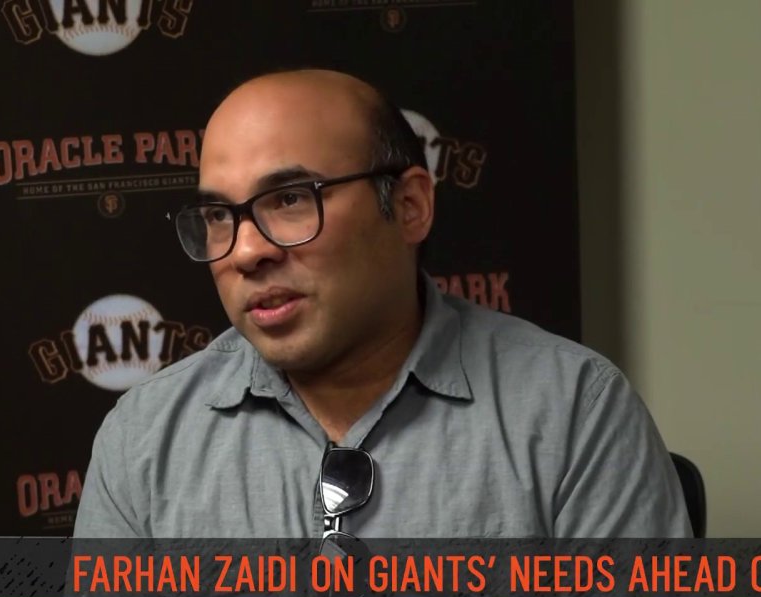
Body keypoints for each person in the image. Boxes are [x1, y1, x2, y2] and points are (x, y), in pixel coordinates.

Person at [73, 69, 691, 539]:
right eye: (218, 216)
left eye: (289, 199)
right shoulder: (145, 439)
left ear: (411, 206)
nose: (246, 252)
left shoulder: (575, 416)